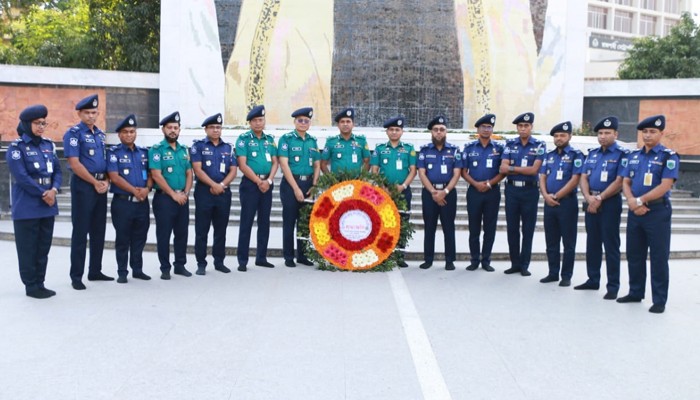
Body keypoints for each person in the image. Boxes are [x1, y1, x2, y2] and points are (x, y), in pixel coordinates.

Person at [618, 115, 679, 314]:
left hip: (657, 212)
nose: (648, 135)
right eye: (645, 131)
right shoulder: (633, 156)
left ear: (661, 134)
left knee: (658, 257)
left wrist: (639, 201)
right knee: (635, 254)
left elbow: (665, 185)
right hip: (635, 211)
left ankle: (659, 299)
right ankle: (635, 292)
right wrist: (632, 202)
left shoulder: (668, 156)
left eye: (653, 132)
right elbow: (625, 182)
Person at [7, 104, 62, 298]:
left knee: (43, 247)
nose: (41, 127)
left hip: (48, 205)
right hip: (28, 206)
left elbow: (57, 170)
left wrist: (54, 190)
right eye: (37, 123)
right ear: (27, 123)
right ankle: (31, 286)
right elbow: (21, 177)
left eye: (43, 123)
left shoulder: (48, 146)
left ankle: (40, 282)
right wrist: (43, 193)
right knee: (28, 248)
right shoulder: (16, 148)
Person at [575, 116, 629, 299]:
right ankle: (593, 279)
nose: (603, 136)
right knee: (593, 242)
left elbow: (620, 181)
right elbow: (583, 177)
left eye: (607, 133)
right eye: (600, 133)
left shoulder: (622, 154)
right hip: (592, 201)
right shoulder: (592, 153)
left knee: (611, 244)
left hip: (610, 203)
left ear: (616, 134)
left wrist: (599, 198)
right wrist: (589, 197)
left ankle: (613, 286)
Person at [63, 94, 113, 290]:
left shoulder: (100, 135)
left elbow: (106, 162)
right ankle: (76, 275)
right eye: (87, 113)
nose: (91, 116)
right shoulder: (73, 134)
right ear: (80, 113)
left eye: (94, 112)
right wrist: (94, 182)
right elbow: (74, 164)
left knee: (98, 230)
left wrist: (106, 180)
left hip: (100, 185)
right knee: (81, 231)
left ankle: (95, 270)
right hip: (84, 186)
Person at [106, 115, 152, 284]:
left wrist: (146, 189)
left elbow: (151, 174)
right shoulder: (113, 153)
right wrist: (135, 191)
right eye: (125, 132)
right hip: (123, 203)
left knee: (140, 237)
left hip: (142, 203)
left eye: (132, 132)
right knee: (123, 237)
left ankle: (137, 269)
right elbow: (114, 177)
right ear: (119, 135)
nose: (129, 135)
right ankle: (122, 271)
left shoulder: (144, 153)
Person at [499, 112, 546, 277]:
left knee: (528, 228)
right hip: (512, 190)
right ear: (517, 128)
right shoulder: (510, 144)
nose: (523, 128)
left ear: (531, 127)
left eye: (526, 125)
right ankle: (515, 263)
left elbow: (534, 170)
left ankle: (525, 264)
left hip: (530, 190)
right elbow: (502, 168)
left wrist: (512, 168)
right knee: (512, 228)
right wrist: (518, 170)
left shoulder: (539, 145)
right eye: (520, 126)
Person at [191, 113, 238, 275]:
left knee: (221, 229)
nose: (216, 130)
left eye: (218, 127)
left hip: (224, 192)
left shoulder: (228, 147)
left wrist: (222, 185)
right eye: (212, 127)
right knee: (202, 229)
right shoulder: (198, 146)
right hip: (204, 192)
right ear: (206, 129)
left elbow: (233, 169)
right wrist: (213, 185)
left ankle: (219, 261)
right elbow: (197, 169)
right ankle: (201, 263)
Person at [538, 121, 584, 287]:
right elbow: (542, 176)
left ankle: (566, 275)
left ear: (569, 136)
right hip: (549, 202)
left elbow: (575, 179)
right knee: (551, 240)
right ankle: (552, 272)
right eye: (556, 136)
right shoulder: (549, 156)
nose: (559, 138)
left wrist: (556, 196)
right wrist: (545, 195)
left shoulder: (576, 155)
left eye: (562, 135)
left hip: (566, 203)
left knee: (568, 242)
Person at [149, 111, 194, 280]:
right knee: (164, 234)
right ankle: (165, 267)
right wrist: (173, 195)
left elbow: (190, 173)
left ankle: (180, 265)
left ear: (179, 130)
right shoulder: (156, 150)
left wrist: (186, 193)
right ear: (163, 130)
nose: (173, 130)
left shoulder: (184, 150)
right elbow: (156, 175)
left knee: (182, 233)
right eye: (170, 128)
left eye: (176, 127)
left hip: (182, 197)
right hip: (164, 199)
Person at [236, 105, 279, 271]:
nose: (258, 123)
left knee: (264, 222)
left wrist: (268, 180)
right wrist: (258, 181)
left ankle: (261, 257)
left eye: (261, 120)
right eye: (255, 121)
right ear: (250, 123)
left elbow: (275, 162)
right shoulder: (244, 139)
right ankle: (242, 260)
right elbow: (242, 164)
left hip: (267, 184)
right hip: (250, 185)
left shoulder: (270, 140)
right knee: (246, 222)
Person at [370, 115, 417, 268]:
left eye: (397, 130)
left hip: (403, 191)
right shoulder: (380, 149)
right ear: (387, 132)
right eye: (391, 130)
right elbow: (374, 170)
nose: (394, 132)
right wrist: (382, 187)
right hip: (384, 192)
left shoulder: (409, 149)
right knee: (383, 222)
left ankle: (399, 255)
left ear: (402, 132)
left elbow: (413, 171)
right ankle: (384, 254)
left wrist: (403, 186)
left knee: (402, 222)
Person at [277, 107, 321, 267]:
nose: (303, 123)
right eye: (300, 120)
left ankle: (302, 255)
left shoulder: (312, 141)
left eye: (306, 121)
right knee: (289, 220)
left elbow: (317, 165)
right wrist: (295, 188)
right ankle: (288, 256)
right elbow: (284, 163)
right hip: (290, 184)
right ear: (295, 122)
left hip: (308, 183)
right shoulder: (286, 139)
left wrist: (314, 186)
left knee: (305, 222)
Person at [460, 114, 505, 272]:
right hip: (474, 191)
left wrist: (489, 184)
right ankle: (474, 259)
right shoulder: (469, 148)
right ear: (478, 129)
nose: (486, 129)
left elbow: (503, 171)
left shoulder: (499, 149)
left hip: (492, 192)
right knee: (474, 227)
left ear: (492, 129)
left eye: (489, 127)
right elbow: (464, 171)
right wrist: (476, 184)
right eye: (483, 127)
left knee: (490, 227)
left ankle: (486, 260)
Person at [416, 115, 461, 270]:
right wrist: (434, 192)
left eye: (442, 129)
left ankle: (450, 260)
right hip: (429, 193)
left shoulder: (454, 150)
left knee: (449, 226)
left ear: (446, 132)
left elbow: (457, 174)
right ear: (431, 132)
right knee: (430, 226)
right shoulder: (424, 150)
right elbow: (421, 173)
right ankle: (428, 259)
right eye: (436, 130)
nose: (439, 132)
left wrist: (445, 191)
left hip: (449, 193)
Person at [320, 107, 370, 176]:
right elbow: (323, 163)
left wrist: (362, 177)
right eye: (342, 122)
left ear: (353, 125)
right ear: (338, 125)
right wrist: (331, 179)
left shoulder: (361, 141)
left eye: (348, 121)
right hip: (337, 183)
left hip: (356, 182)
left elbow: (367, 161)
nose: (345, 124)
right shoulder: (331, 142)